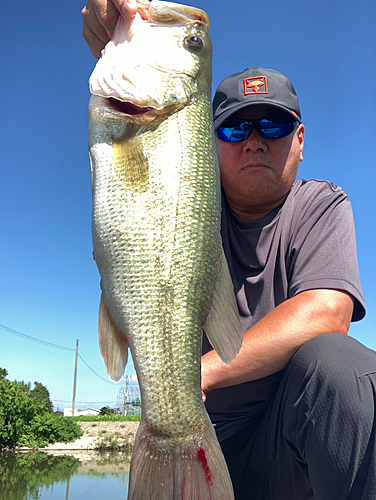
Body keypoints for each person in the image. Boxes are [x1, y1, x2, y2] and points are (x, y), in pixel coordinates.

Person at [82, 3, 376, 498]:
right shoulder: (184, 190)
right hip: (201, 436)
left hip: (286, 446)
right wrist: (112, 24)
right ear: (209, 140)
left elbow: (328, 312)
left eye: (274, 127)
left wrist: (193, 377)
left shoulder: (322, 204)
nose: (255, 142)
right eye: (236, 129)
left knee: (345, 367)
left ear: (300, 141)